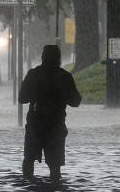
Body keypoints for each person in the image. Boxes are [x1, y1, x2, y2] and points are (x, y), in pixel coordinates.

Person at [19, 44, 81, 182]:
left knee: (29, 159)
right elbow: (76, 101)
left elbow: (22, 98)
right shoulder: (64, 77)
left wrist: (36, 93)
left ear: (42, 58)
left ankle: (28, 186)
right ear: (58, 59)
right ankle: (54, 189)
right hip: (55, 126)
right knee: (55, 165)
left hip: (35, 125)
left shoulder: (33, 74)